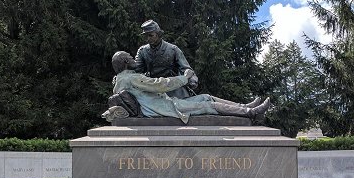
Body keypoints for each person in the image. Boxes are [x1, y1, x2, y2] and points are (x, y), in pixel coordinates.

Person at [110, 51, 269, 124]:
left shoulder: (120, 80)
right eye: (130, 57)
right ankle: (251, 113)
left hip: (160, 105)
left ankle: (244, 107)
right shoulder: (131, 78)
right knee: (208, 105)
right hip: (163, 108)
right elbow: (160, 85)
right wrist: (184, 77)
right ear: (125, 62)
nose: (133, 59)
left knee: (206, 96)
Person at [135, 19, 197, 99]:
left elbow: (186, 68)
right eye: (146, 36)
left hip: (172, 86)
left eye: (151, 35)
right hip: (152, 87)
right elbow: (136, 70)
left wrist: (192, 80)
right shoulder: (142, 51)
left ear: (158, 34)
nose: (148, 39)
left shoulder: (173, 49)